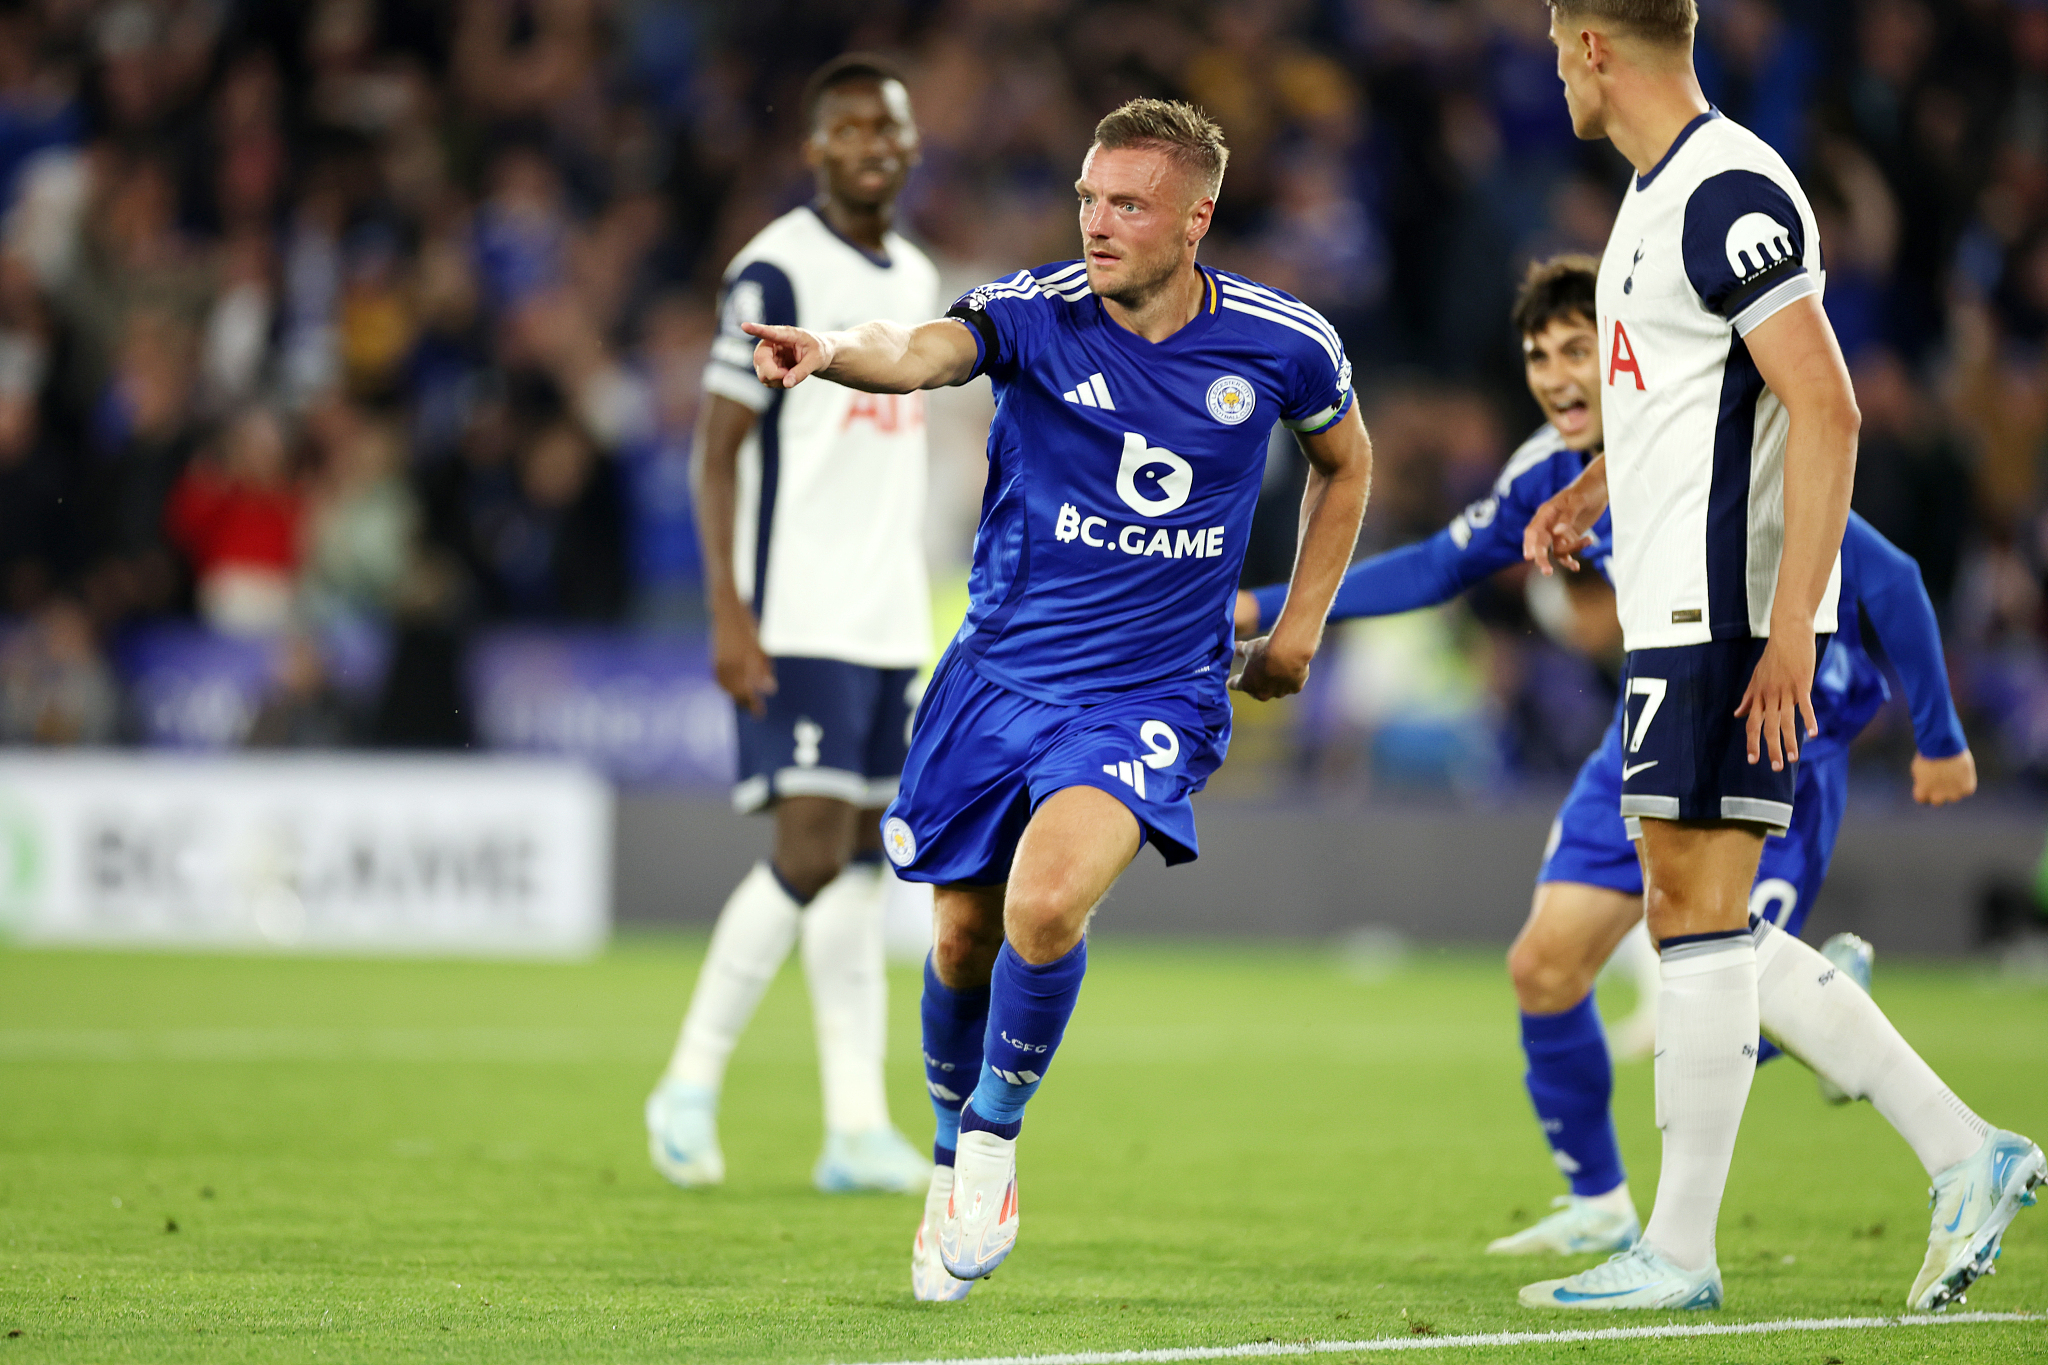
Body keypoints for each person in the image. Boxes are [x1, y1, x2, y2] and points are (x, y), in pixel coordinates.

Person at [1243, 255, 2029, 1310]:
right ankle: (1614, 1199)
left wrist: (1937, 736)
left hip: (1775, 721)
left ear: (1625, 350)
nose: (1560, 375)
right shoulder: (1547, 468)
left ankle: (1895, 1119)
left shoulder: (1710, 440)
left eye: (1580, 349)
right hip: (1653, 712)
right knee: (1548, 964)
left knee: (1705, 961)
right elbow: (1438, 565)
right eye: (1539, 355)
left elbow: (1883, 576)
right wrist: (1262, 607)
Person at [742, 98, 1372, 1300]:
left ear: (1196, 218)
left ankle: (990, 1138)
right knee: (961, 936)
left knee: (1043, 905)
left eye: (1126, 204)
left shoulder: (1283, 344)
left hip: (1145, 694)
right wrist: (830, 352)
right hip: (995, 680)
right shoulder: (1037, 314)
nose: (1095, 221)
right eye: (1086, 196)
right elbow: (921, 349)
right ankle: (945, 1158)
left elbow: (1349, 461)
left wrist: (1299, 624)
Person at [1519, 1, 2044, 1312]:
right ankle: (1957, 1150)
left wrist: (1796, 627)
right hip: (1686, 610)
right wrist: (1597, 487)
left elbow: (1826, 403)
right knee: (1697, 918)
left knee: (1695, 916)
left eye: (1555, 48)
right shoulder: (1650, 198)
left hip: (1729, 615)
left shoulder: (1725, 187)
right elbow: (1700, 405)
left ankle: (1685, 1253)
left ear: (1591, 46)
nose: (1555, 75)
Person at [643, 55, 939, 1196]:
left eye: (891, 126)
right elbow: (715, 452)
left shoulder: (913, 271)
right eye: (852, 127)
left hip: (886, 621)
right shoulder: (772, 268)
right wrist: (731, 610)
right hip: (799, 609)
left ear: (911, 146)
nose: (875, 141)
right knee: (809, 852)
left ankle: (854, 1127)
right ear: (814, 148)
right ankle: (688, 1079)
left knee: (864, 864)